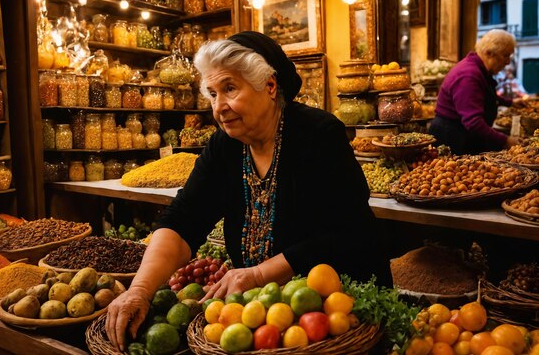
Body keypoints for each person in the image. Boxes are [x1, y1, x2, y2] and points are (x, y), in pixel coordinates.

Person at [105, 31, 379, 351]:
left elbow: (347, 232)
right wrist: (139, 289)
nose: (220, 107)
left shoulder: (318, 134)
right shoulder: (225, 146)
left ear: (270, 86)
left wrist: (256, 274)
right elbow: (183, 218)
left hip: (337, 311)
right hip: (265, 314)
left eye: (230, 89)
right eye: (211, 94)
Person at [429, 29, 524, 155]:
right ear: (489, 53)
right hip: (453, 138)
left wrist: (510, 103)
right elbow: (473, 123)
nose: (507, 62)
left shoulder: (478, 68)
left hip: (462, 134)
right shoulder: (469, 75)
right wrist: (506, 140)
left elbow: (482, 94)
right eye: (505, 55)